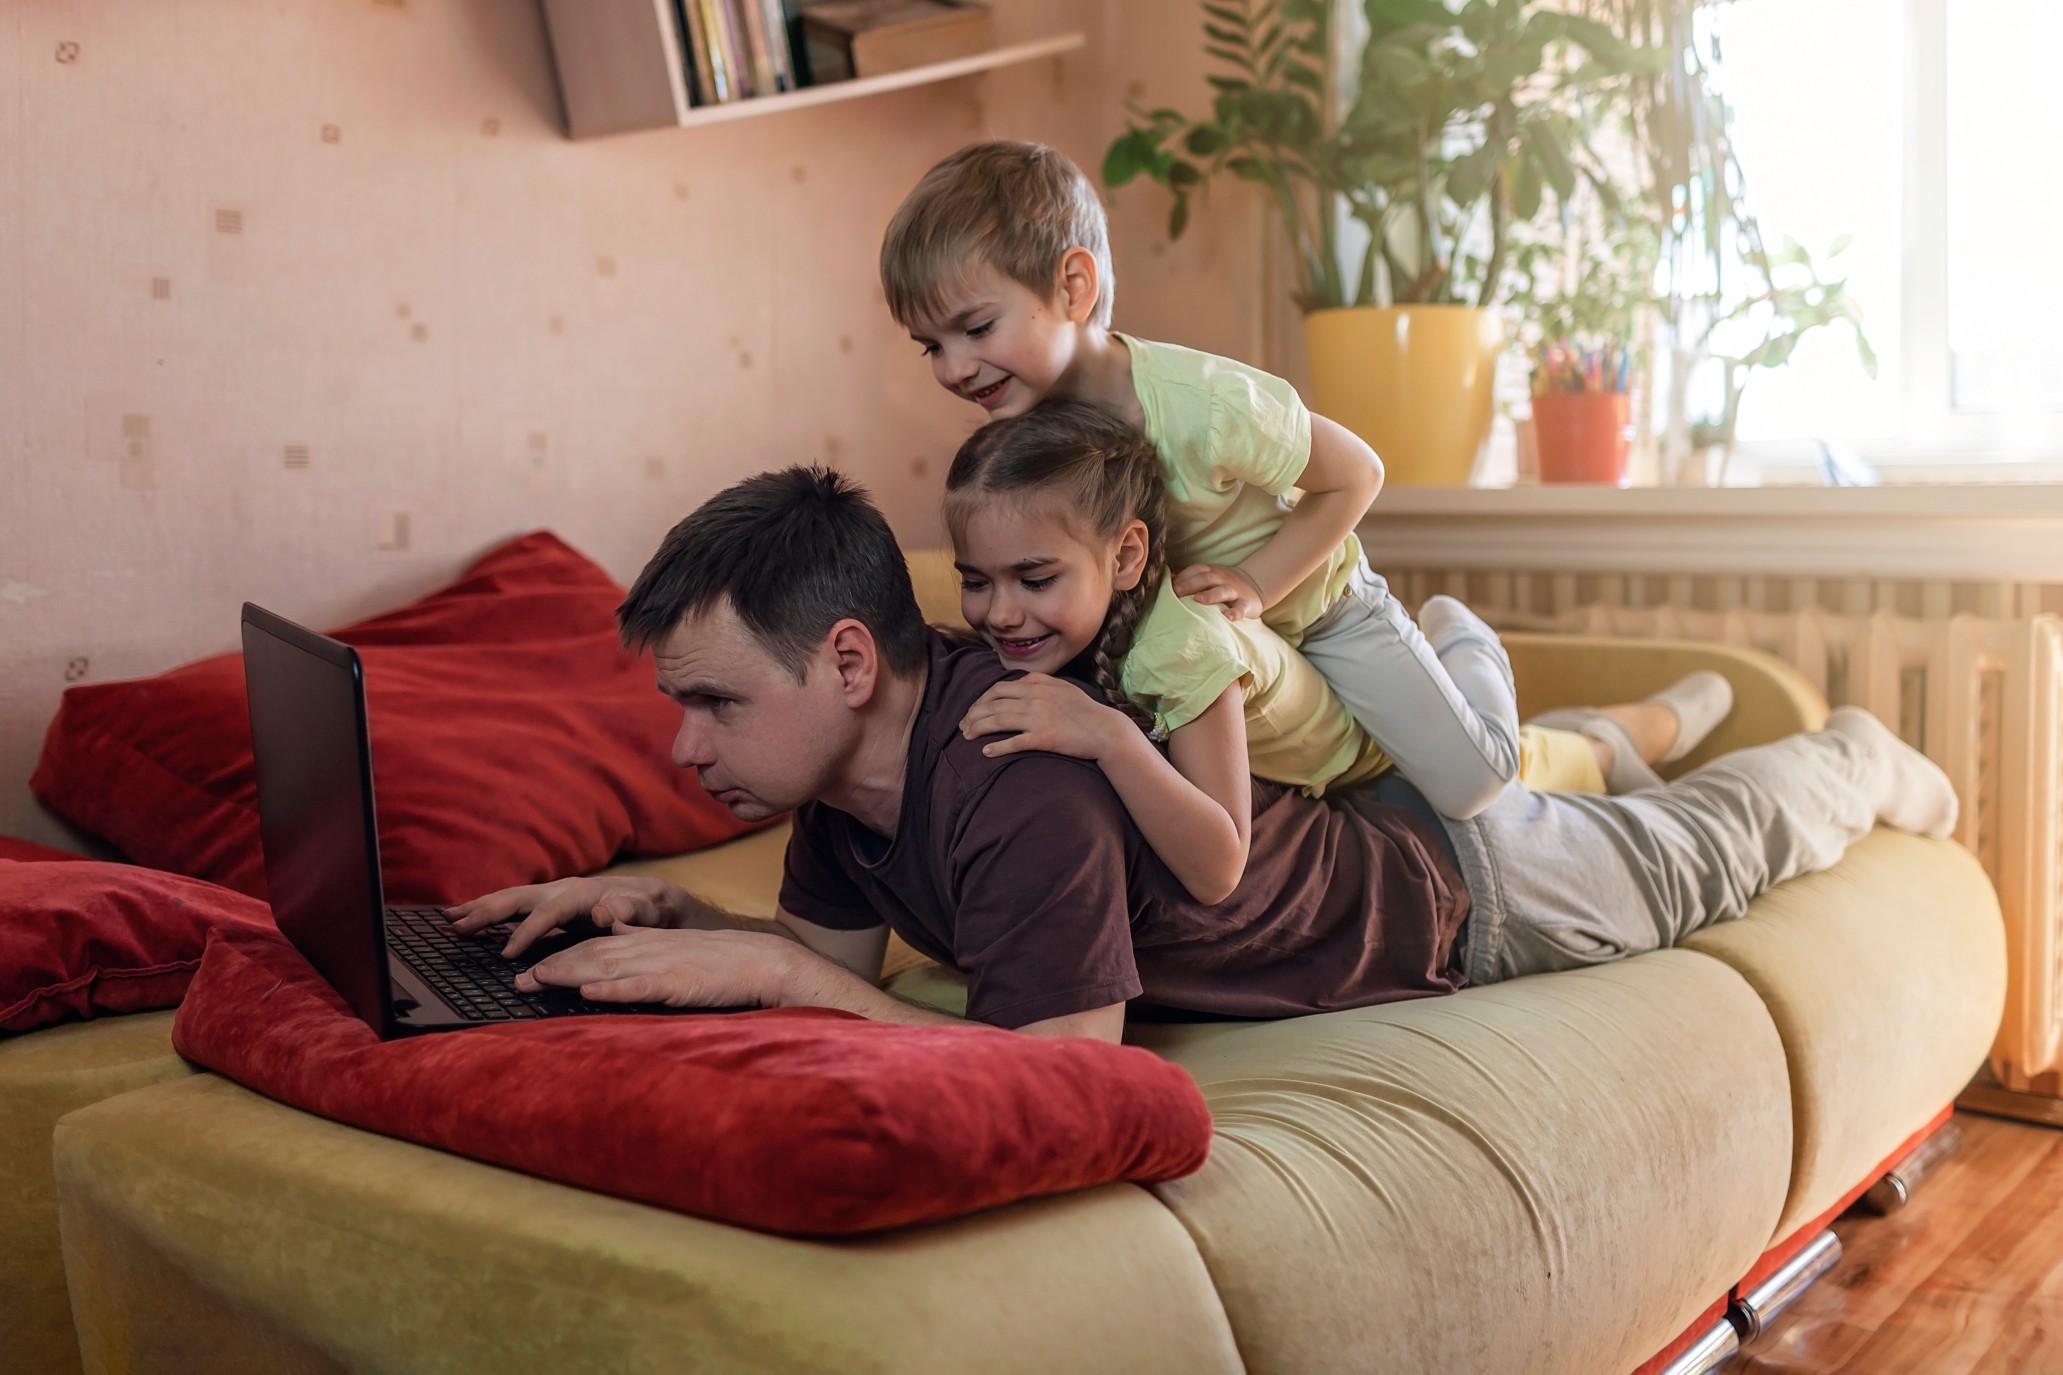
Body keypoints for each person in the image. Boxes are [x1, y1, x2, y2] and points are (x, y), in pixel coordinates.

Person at [445, 466, 1959, 1044]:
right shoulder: (842, 793)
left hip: (1459, 895)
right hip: (1385, 824)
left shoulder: (1021, 773)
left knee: (1706, 849)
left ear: (849, 659)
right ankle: (1612, 732)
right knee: (1575, 769)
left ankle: (1847, 749)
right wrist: (672, 917)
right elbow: (824, 956)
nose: (677, 738)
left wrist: (776, 976)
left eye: (710, 700)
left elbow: (1061, 1067)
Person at [877, 140, 1733, 818]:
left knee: (1472, 784)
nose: (952, 368)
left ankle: (1465, 642)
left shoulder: (1204, 402)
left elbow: (1356, 473)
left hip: (1321, 609)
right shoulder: (1028, 438)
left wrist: (1256, 581)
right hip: (1236, 654)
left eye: (974, 328)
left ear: (1071, 285)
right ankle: (1596, 745)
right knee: (1380, 793)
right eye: (930, 346)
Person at [943, 399, 1727, 903]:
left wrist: (1107, 736)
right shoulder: (1085, 622)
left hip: (1379, 765)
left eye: (1034, 578)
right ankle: (1619, 733)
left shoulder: (1175, 648)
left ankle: (1467, 641)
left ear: (1125, 556)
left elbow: (1218, 866)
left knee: (1511, 765)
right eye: (973, 580)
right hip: (1332, 728)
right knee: (1558, 749)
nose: (999, 612)